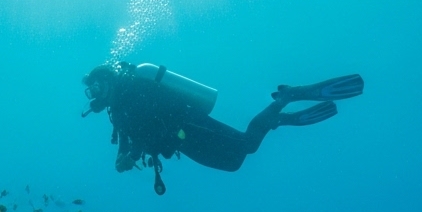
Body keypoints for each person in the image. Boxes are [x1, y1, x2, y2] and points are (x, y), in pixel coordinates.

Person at [81, 62, 364, 194]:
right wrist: (124, 158)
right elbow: (130, 137)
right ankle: (278, 118)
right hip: (181, 142)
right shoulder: (117, 110)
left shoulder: (135, 89)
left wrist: (135, 151)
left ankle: (286, 98)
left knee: (247, 146)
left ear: (108, 80)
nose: (94, 93)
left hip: (190, 125)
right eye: (90, 90)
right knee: (233, 164)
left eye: (96, 85)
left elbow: (153, 118)